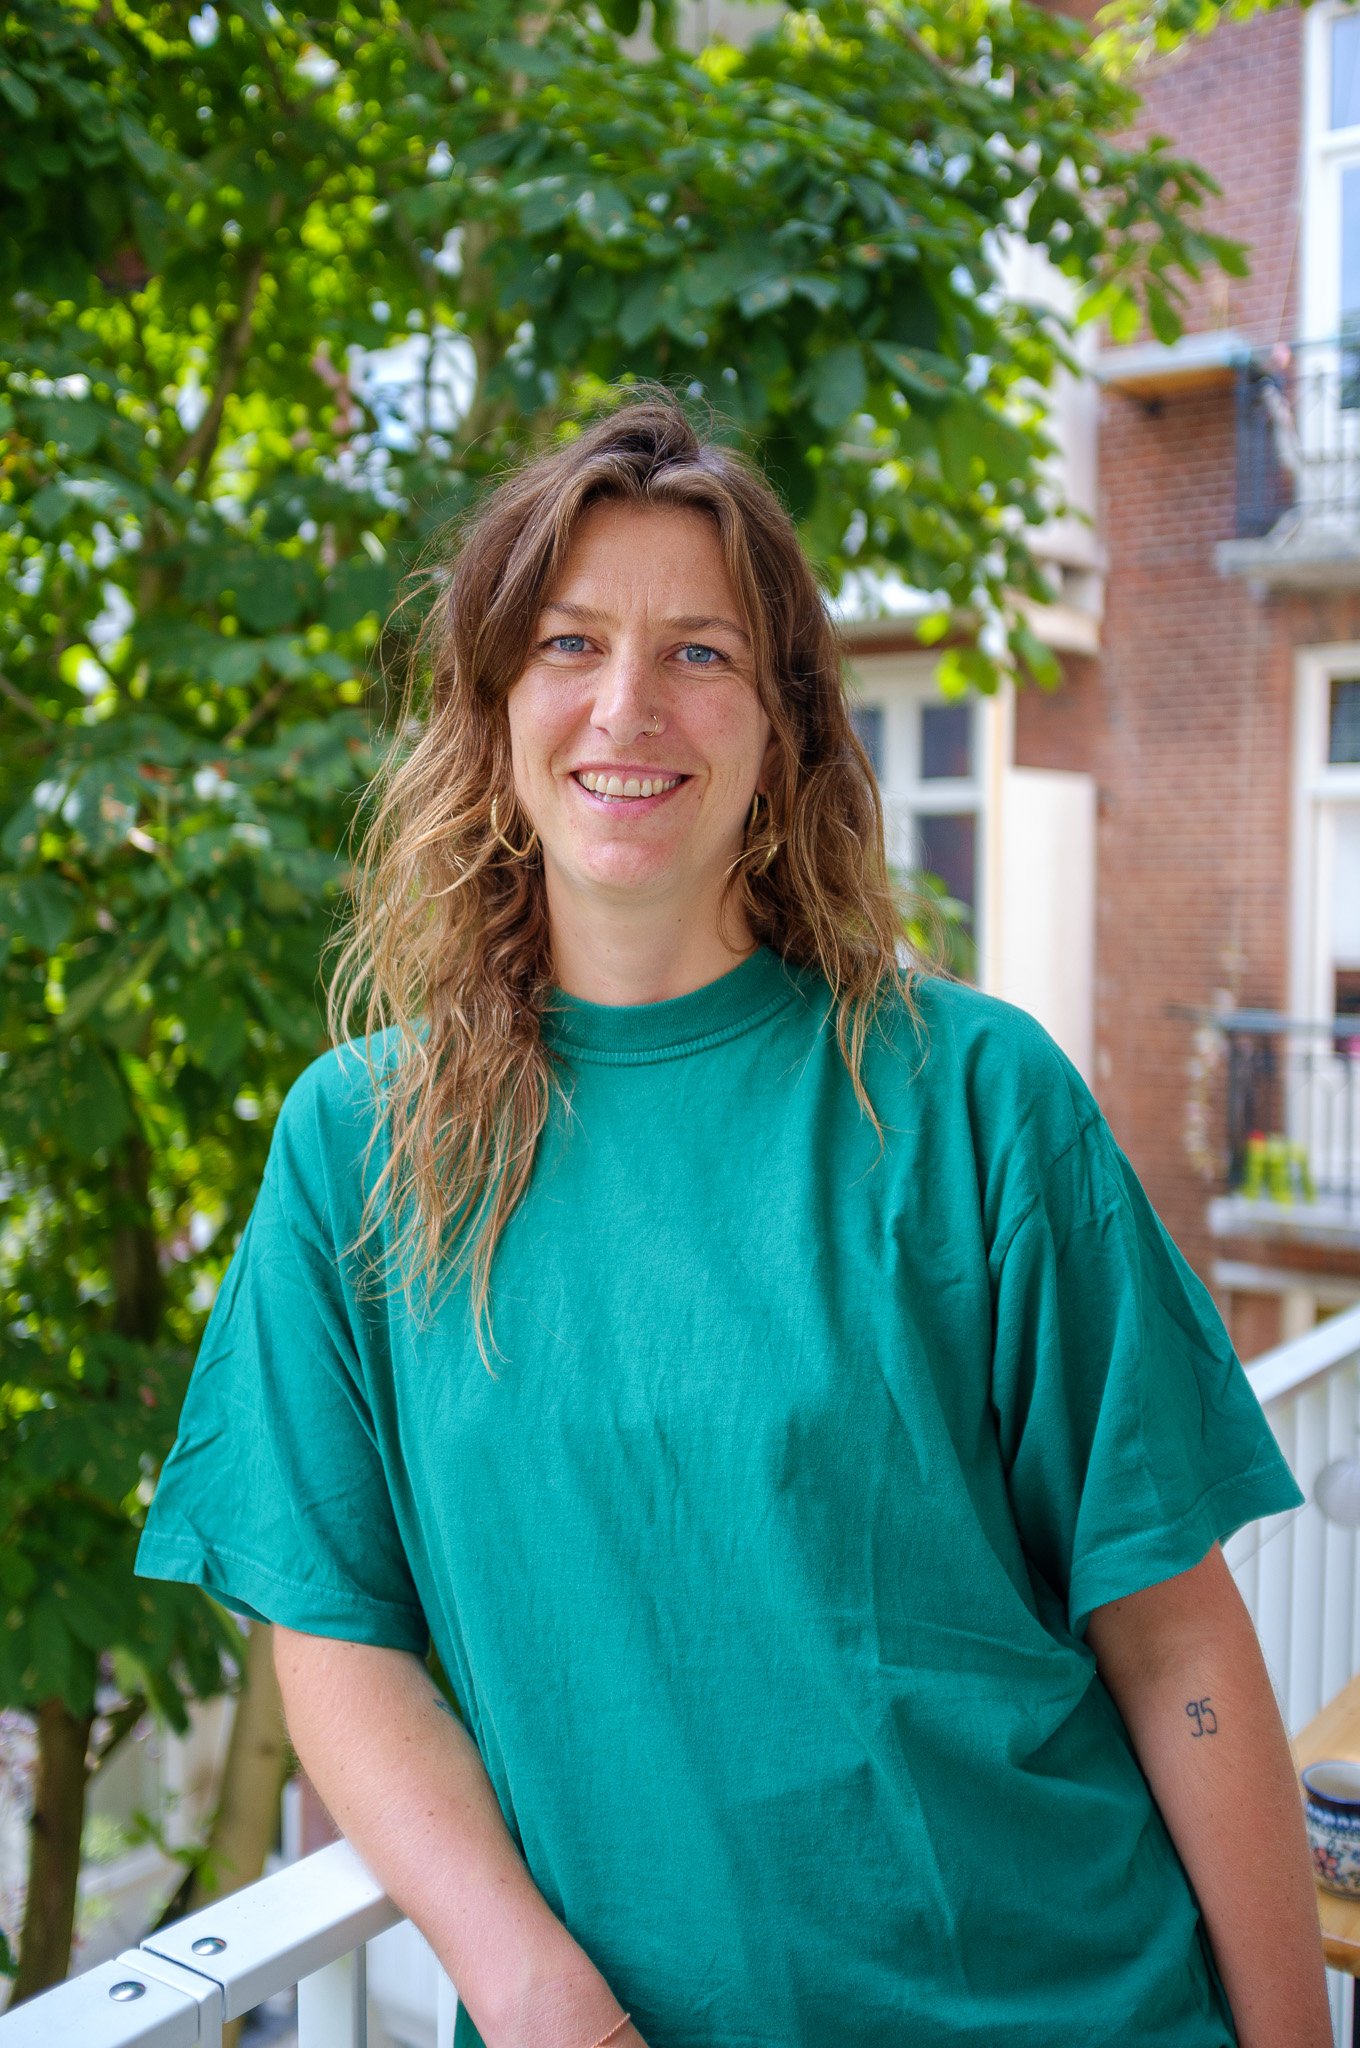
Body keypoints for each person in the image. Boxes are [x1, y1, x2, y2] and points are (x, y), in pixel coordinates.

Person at [135, 390, 1330, 2048]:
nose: (630, 704)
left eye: (701, 653)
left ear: (783, 733)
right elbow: (331, 1630)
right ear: (490, 708)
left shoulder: (975, 1100)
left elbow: (1173, 1631)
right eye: (568, 642)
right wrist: (533, 1988)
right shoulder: (362, 1148)